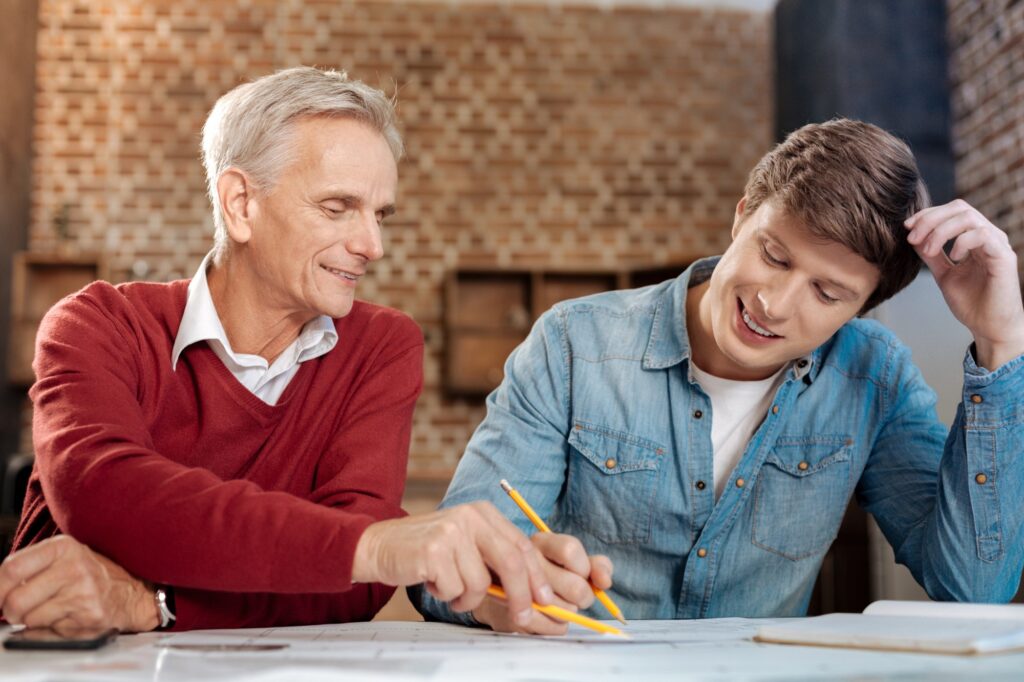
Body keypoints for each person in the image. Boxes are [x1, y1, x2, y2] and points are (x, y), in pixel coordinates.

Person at [0, 67, 598, 635]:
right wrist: (368, 546)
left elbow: (353, 588)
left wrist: (152, 602)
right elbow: (106, 496)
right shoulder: (98, 323)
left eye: (380, 214)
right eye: (338, 208)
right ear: (241, 205)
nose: (373, 244)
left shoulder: (382, 347)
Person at [415, 118, 1024, 632]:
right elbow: (444, 578)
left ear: (859, 309)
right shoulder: (575, 344)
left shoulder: (875, 375)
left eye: (827, 292)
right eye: (773, 255)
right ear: (741, 216)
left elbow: (972, 588)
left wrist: (1000, 344)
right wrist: (508, 594)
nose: (776, 303)